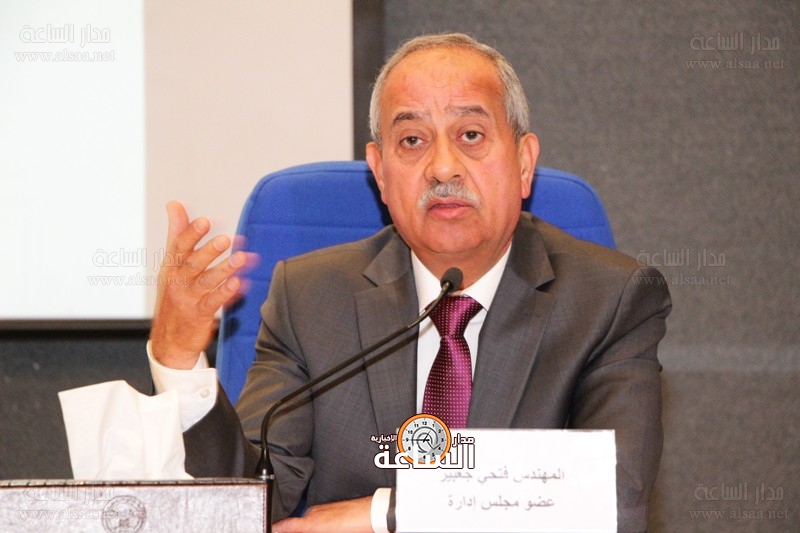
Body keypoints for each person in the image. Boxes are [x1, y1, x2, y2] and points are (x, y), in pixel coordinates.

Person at [148, 33, 671, 533]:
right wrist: (178, 361)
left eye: (471, 135)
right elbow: (245, 504)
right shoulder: (309, 299)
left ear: (523, 162)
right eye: (412, 140)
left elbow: (614, 499)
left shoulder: (609, 301)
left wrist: (388, 514)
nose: (442, 167)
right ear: (380, 172)